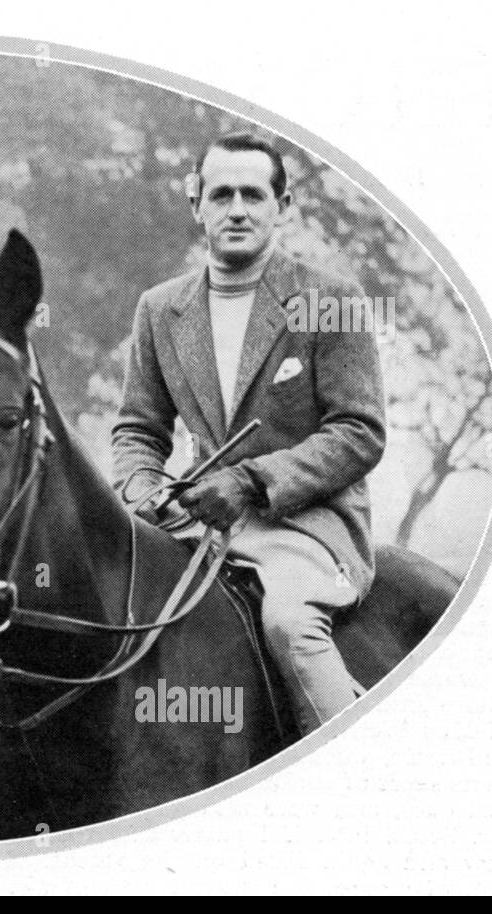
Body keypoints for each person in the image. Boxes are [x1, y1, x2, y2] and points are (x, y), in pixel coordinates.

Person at [112, 131, 387, 736]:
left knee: (289, 622)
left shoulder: (329, 298)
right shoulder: (159, 308)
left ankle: (357, 764)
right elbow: (139, 426)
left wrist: (253, 481)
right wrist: (141, 488)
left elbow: (359, 430)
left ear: (282, 208)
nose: (237, 209)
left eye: (254, 195)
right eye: (221, 194)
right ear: (198, 206)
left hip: (305, 523)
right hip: (198, 519)